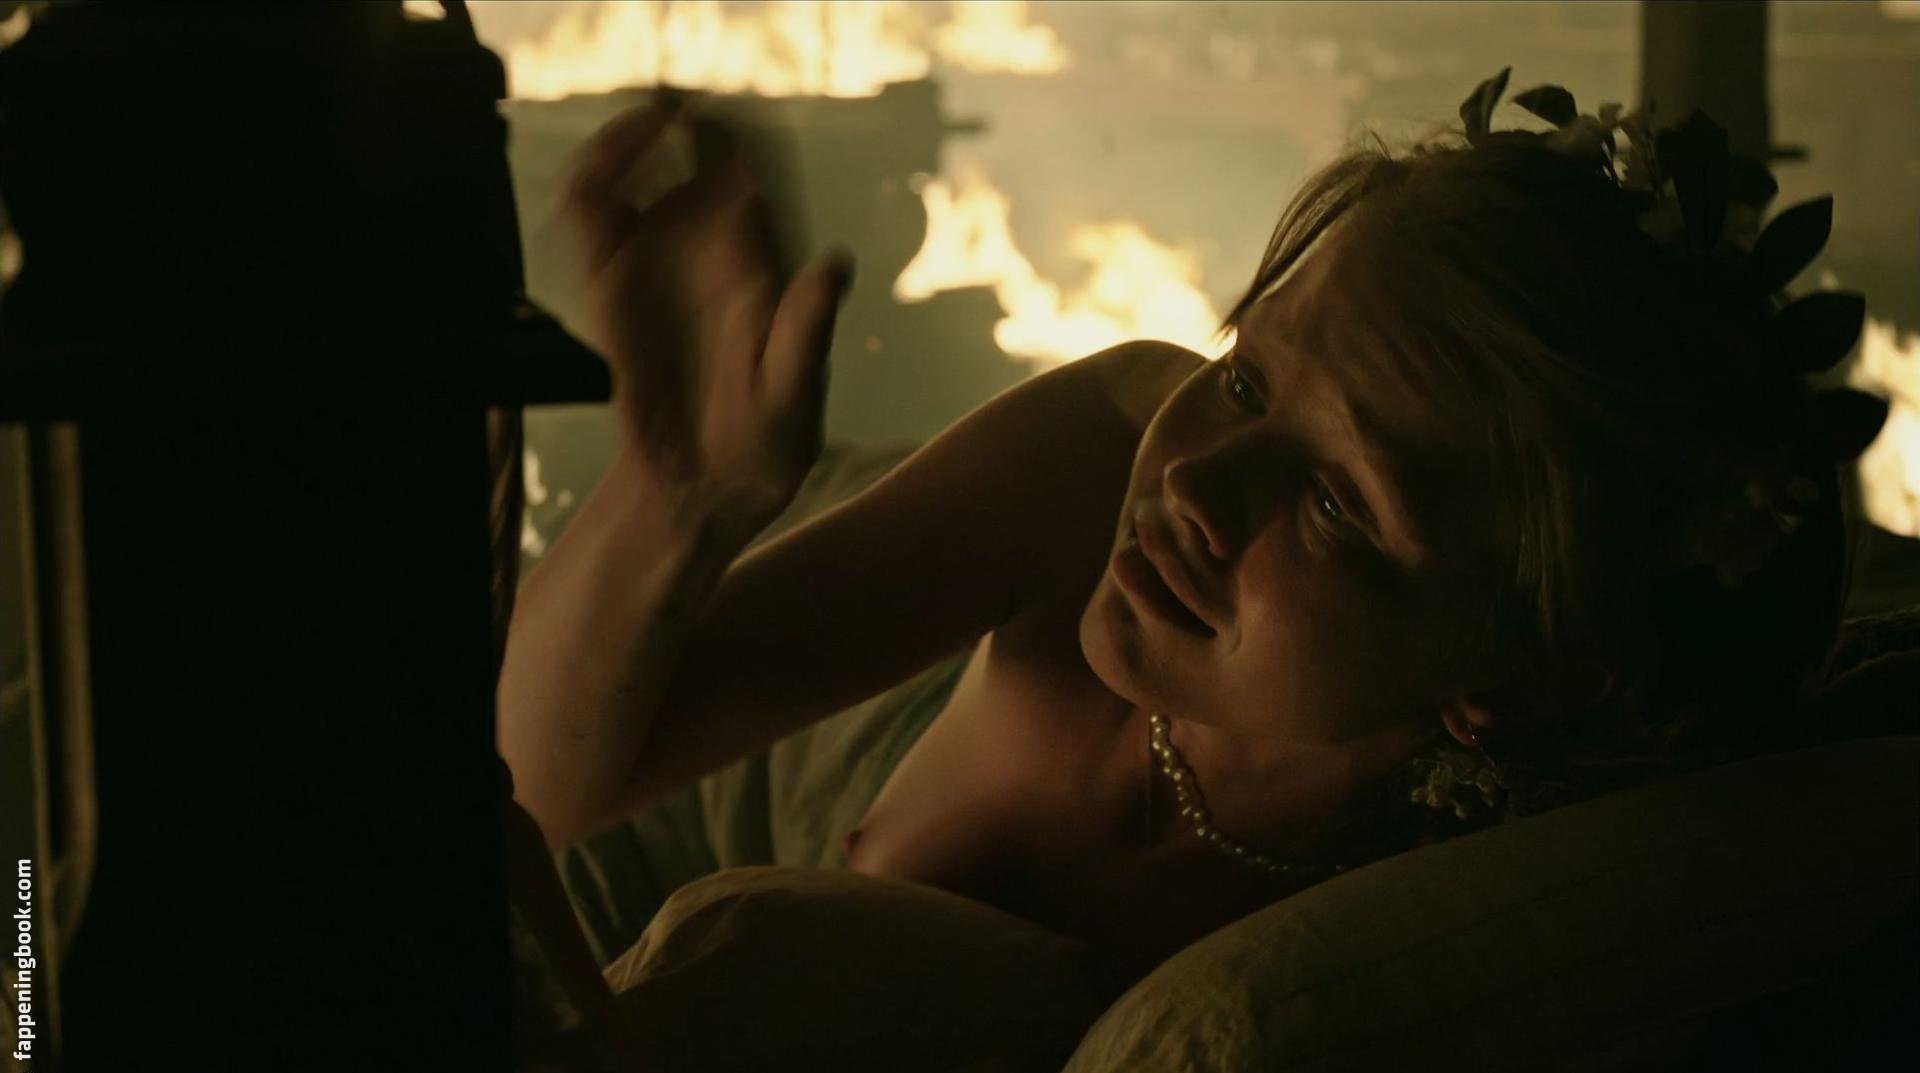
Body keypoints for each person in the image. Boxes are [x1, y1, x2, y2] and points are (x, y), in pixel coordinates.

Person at [496, 70, 1883, 993]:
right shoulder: (1105, 451)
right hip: (739, 764)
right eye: (1248, 378)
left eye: (1337, 505)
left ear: (1517, 682)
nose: (1198, 486)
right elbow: (523, 783)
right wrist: (680, 491)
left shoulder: (1443, 921)